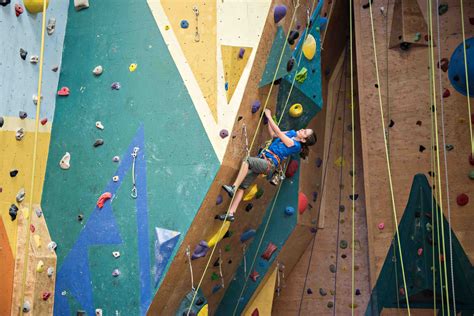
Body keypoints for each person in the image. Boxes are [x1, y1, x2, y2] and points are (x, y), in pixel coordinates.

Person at [217, 108, 316, 222]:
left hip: (269, 164)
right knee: (243, 186)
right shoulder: (292, 133)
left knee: (247, 161)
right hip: (263, 159)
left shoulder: (296, 145)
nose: (302, 129)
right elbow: (274, 134)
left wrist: (269, 116)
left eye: (305, 132)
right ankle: (231, 213)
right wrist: (270, 120)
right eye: (304, 129)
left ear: (303, 140)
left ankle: (232, 188)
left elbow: (279, 132)